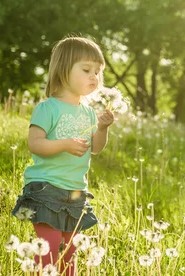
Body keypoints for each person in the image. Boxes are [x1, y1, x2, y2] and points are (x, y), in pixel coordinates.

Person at [11, 36, 115, 275]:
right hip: (47, 189)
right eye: (87, 69)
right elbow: (35, 144)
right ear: (63, 70)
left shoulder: (89, 113)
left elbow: (96, 148)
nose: (94, 77)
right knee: (48, 250)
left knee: (69, 254)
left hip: (76, 192)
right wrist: (64, 144)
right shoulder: (48, 108)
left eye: (98, 72)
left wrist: (102, 128)